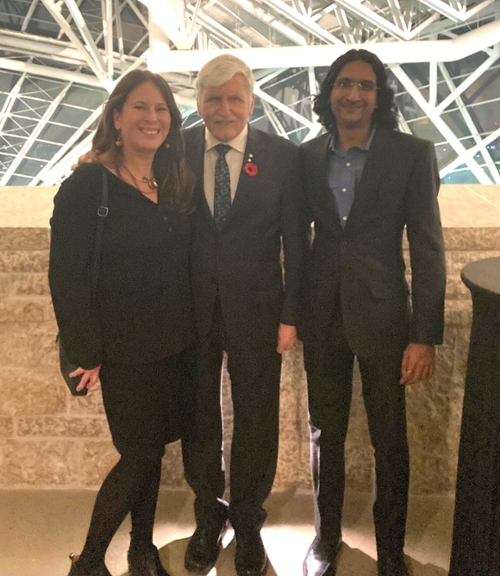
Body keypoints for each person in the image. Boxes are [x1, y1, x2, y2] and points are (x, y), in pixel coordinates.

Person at [298, 49, 446, 576]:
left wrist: (424, 335)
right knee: (324, 434)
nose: (353, 94)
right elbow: (295, 237)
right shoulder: (308, 156)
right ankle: (324, 541)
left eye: (364, 85)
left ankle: (389, 551)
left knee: (390, 438)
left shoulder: (412, 154)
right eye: (343, 84)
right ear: (329, 92)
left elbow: (428, 246)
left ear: (379, 96)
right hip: (322, 316)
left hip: (385, 318)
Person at [49, 69, 195, 576]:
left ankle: (141, 549)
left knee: (151, 451)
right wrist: (86, 352)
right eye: (140, 107)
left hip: (174, 343)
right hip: (123, 349)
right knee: (138, 454)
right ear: (115, 116)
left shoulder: (170, 180)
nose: (152, 118)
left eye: (161, 110)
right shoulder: (88, 184)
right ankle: (89, 561)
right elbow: (65, 277)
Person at [181, 55, 307, 576]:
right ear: (200, 104)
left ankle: (249, 521)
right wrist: (91, 160)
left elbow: (297, 242)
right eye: (214, 98)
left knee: (256, 418)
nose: (224, 108)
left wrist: (291, 314)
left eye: (235, 97)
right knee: (198, 415)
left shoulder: (283, 157)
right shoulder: (177, 149)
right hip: (189, 311)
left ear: (251, 101)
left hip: (260, 311)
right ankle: (208, 514)